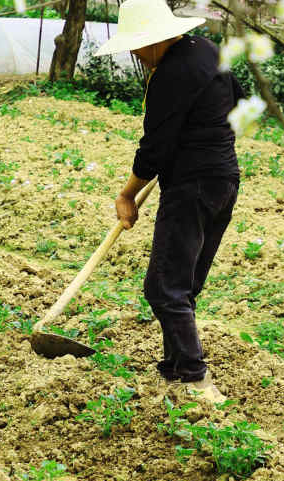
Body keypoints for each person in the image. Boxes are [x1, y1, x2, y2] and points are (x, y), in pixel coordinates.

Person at [95, 0, 244, 403]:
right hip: (224, 181)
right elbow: (238, 100)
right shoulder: (209, 52)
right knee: (182, 285)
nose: (136, 55)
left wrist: (127, 195)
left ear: (154, 40)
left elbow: (154, 149)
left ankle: (196, 380)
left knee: (163, 287)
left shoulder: (169, 76)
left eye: (137, 47)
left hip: (191, 186)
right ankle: (175, 369)